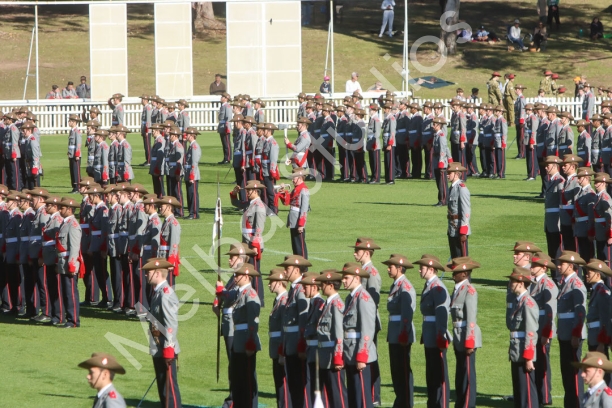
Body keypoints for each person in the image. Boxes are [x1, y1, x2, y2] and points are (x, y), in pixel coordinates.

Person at [143, 258, 181, 408]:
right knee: (163, 387)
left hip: (165, 347)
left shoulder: (165, 294)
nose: (146, 275)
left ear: (158, 273)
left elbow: (171, 324)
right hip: (158, 346)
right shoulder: (158, 292)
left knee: (169, 388)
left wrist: (168, 347)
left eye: (148, 272)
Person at [339, 262, 378, 408]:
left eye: (346, 278)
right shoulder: (351, 298)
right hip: (350, 351)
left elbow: (367, 330)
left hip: (359, 353)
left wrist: (362, 355)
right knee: (354, 396)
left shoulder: (363, 298)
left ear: (356, 278)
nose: (343, 280)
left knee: (362, 399)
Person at [414, 255, 450, 408]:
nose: (419, 270)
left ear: (431, 269)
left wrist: (441, 335)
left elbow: (441, 314)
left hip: (436, 336)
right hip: (430, 335)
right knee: (431, 374)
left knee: (439, 375)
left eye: (421, 268)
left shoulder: (437, 288)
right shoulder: (429, 285)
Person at [279, 254, 313, 408]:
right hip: (290, 343)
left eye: (287, 268)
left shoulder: (300, 290)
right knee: (293, 385)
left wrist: (301, 344)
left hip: (296, 345)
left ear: (296, 270)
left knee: (300, 386)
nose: (284, 271)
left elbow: (303, 319)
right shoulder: (294, 289)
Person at [447, 257, 481, 408]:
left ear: (465, 273)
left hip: (466, 337)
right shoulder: (458, 289)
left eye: (457, 271)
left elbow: (471, 319)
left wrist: (469, 342)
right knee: (460, 373)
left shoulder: (469, 290)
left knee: (467, 375)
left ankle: (468, 404)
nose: (453, 273)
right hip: (458, 335)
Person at [383, 254, 416, 408]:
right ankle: (400, 401)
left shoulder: (405, 287)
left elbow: (407, 314)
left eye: (391, 266)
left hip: (401, 335)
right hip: (394, 334)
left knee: (402, 371)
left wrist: (404, 333)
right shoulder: (396, 285)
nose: (388, 269)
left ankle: (406, 403)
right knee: (396, 371)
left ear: (400, 268)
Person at [556, 250, 587, 407]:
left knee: (573, 374)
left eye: (562, 263)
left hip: (572, 336)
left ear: (571, 266)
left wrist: (575, 334)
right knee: (566, 373)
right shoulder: (566, 282)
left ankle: (576, 404)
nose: (558, 266)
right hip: (565, 334)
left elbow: (580, 313)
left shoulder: (576, 284)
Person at [505, 267, 539, 408]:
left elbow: (531, 333)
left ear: (520, 283)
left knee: (527, 394)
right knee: (519, 390)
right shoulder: (517, 301)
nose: (509, 284)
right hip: (516, 351)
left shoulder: (528, 303)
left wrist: (528, 357)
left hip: (524, 353)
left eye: (512, 281)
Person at [529, 253, 558, 406]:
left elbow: (550, 312)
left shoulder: (548, 285)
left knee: (543, 364)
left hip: (543, 331)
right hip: (536, 330)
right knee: (537, 363)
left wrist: (546, 333)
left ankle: (545, 396)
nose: (532, 267)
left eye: (535, 265)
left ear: (544, 268)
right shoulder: (535, 283)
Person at [56, 197, 84, 328]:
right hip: (63, 262)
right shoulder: (65, 223)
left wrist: (72, 264)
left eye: (62, 208)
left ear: (69, 209)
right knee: (66, 292)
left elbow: (74, 247)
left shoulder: (73, 225)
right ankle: (69, 318)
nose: (59, 210)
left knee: (71, 293)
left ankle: (73, 320)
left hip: (69, 263)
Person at [265, 269, 290, 408]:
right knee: (279, 386)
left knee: (283, 388)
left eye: (272, 281)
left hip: (280, 349)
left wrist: (281, 352)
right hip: (276, 348)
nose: (269, 284)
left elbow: (283, 329)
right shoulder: (278, 300)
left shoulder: (284, 301)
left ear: (280, 283)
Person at [276, 168, 310, 258]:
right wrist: (283, 191)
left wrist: (301, 224)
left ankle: (303, 264)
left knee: (300, 247)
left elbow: (304, 209)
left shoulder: (303, 189)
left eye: (294, 178)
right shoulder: (296, 189)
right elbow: (287, 201)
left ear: (300, 178)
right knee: (295, 246)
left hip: (298, 220)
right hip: (293, 219)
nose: (292, 180)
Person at [157, 196, 182, 288]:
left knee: (169, 287)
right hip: (163, 257)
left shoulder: (173, 223)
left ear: (169, 207)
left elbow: (174, 244)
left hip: (167, 258)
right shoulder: (166, 222)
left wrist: (171, 262)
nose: (160, 208)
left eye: (162, 206)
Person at [447, 163, 471, 258]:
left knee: (462, 259)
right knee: (455, 258)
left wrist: (464, 229)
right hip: (452, 228)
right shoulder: (452, 188)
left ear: (456, 174)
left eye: (450, 173)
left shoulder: (461, 189)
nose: (447, 175)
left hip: (459, 229)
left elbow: (466, 209)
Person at [166, 128, 185, 217]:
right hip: (171, 171)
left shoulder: (178, 146)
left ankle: (179, 211)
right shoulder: (173, 145)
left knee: (177, 193)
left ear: (175, 136)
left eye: (171, 135)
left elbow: (179, 161)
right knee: (173, 192)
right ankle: (174, 210)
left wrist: (178, 173)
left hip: (176, 172)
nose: (170, 136)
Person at [432, 117, 449, 206]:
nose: (433, 126)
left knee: (442, 182)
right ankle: (441, 199)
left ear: (439, 126)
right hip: (436, 160)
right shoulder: (436, 135)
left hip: (440, 161)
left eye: (434, 124)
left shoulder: (441, 136)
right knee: (438, 182)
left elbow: (444, 149)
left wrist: (442, 161)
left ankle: (444, 200)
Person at [184, 128, 200, 220]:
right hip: (188, 173)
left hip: (192, 174)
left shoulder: (194, 146)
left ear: (192, 136)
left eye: (187, 134)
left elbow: (194, 162)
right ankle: (191, 212)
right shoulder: (191, 146)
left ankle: (194, 213)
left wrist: (192, 175)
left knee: (193, 194)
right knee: (189, 194)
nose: (186, 136)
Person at [67, 114, 82, 193]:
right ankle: (74, 186)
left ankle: (78, 187)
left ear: (74, 122)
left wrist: (77, 154)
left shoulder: (77, 132)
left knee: (76, 172)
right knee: (72, 171)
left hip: (75, 154)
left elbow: (78, 144)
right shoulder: (71, 131)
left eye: (70, 121)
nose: (69, 122)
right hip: (71, 154)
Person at [367, 103, 382, 183]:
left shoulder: (376, 119)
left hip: (374, 142)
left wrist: (374, 143)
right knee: (372, 161)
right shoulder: (372, 119)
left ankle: (376, 178)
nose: (369, 111)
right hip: (370, 141)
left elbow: (377, 133)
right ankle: (373, 176)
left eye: (371, 109)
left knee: (375, 162)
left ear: (375, 110)